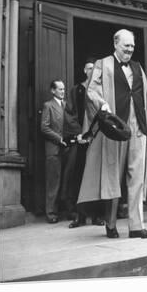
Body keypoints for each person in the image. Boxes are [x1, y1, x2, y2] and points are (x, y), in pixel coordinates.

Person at [77, 29, 147, 239]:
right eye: (126, 46)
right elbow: (91, 91)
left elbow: (146, 99)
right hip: (115, 129)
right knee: (112, 177)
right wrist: (102, 103)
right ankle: (110, 224)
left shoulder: (139, 68)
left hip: (137, 128)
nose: (130, 50)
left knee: (137, 177)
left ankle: (136, 226)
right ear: (115, 44)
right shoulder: (102, 64)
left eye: (132, 46)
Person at [61, 58, 105, 228]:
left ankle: (97, 216)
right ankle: (79, 217)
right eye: (88, 68)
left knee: (97, 177)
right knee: (79, 178)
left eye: (94, 68)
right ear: (84, 71)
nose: (91, 70)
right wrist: (80, 133)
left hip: (98, 138)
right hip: (82, 140)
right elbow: (70, 114)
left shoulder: (102, 91)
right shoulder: (76, 90)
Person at [40, 79, 67, 224]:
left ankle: (64, 211)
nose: (63, 91)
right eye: (60, 89)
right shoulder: (48, 106)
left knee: (65, 181)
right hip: (54, 149)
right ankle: (51, 213)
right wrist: (59, 138)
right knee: (53, 182)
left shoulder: (66, 105)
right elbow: (44, 128)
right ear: (53, 91)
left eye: (63, 89)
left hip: (66, 149)